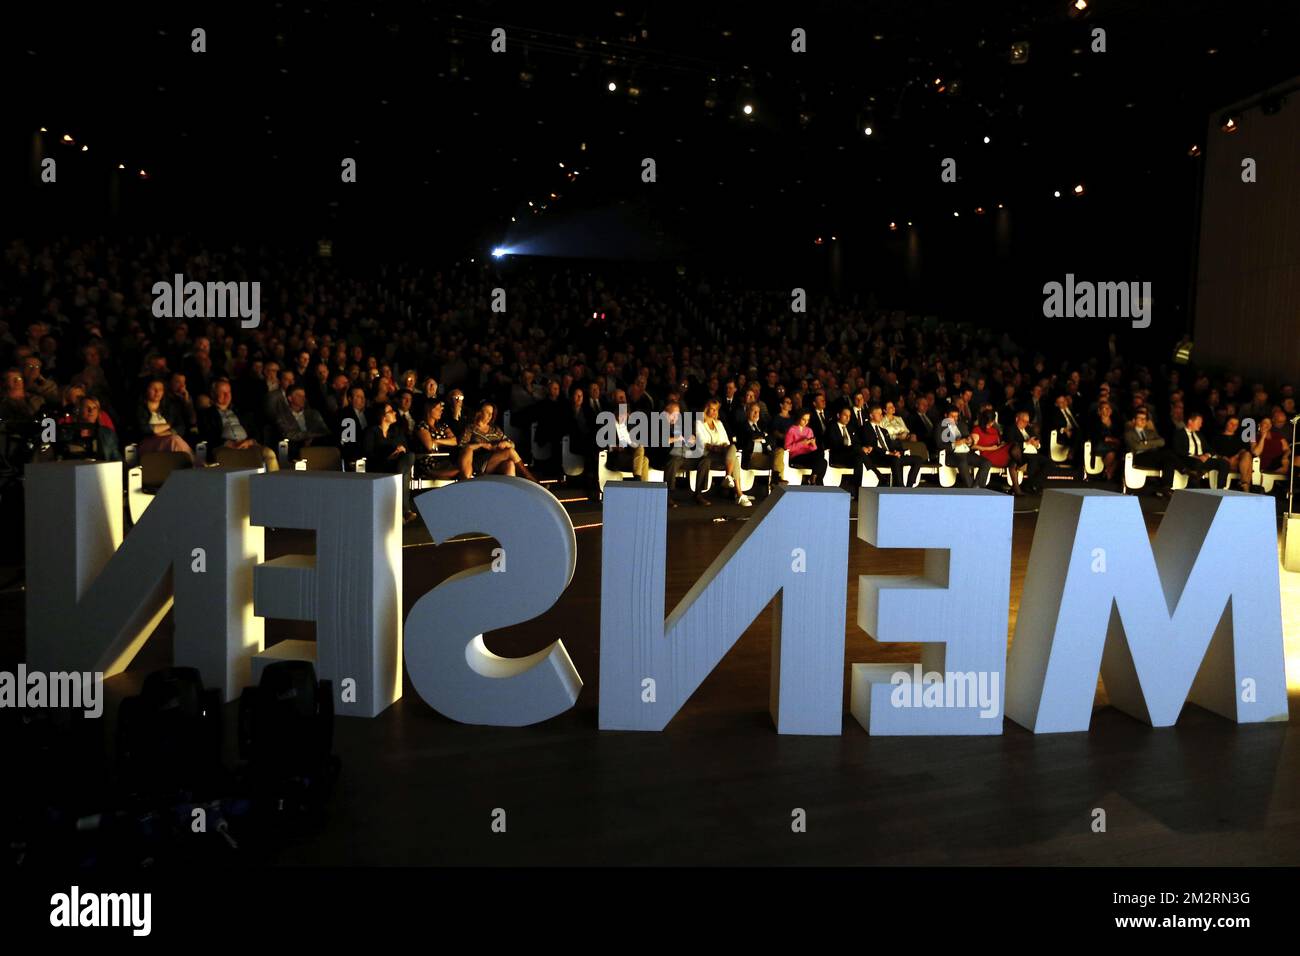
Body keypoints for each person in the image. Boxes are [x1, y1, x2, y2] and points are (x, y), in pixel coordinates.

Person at [199, 378, 279, 470]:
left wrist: (250, 441)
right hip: (224, 447)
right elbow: (208, 435)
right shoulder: (207, 414)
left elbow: (255, 431)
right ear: (213, 394)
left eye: (229, 392)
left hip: (247, 444)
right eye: (223, 392)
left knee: (269, 453)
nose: (227, 395)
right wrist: (227, 443)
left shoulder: (241, 411)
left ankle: (274, 479)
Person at [361, 401, 417, 521]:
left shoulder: (396, 431)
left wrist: (401, 450)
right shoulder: (371, 431)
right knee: (404, 475)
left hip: (396, 465)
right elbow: (368, 453)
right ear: (383, 416)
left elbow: (406, 449)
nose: (394, 413)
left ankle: (401, 510)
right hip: (379, 465)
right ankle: (405, 510)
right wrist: (387, 457)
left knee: (410, 457)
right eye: (391, 411)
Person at [692, 399, 752, 506]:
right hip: (707, 455)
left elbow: (726, 441)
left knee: (732, 448)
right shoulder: (699, 423)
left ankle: (729, 478)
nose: (714, 412)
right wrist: (719, 448)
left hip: (721, 455)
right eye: (712, 409)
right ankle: (739, 493)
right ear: (706, 409)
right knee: (733, 457)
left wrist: (722, 447)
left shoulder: (719, 423)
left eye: (716, 409)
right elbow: (703, 443)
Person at [1124, 408, 1176, 497]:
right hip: (1139, 457)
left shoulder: (1151, 432)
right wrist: (1152, 444)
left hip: (1153, 457)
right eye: (1140, 418)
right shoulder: (1129, 433)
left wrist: (1145, 443)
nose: (1143, 420)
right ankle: (1184, 469)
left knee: (1169, 461)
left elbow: (1162, 442)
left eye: (1144, 419)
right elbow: (1136, 447)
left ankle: (1166, 488)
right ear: (1134, 420)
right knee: (1168, 454)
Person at [135, 378, 194, 458]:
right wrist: (169, 425)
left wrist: (162, 432)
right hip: (146, 444)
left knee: (174, 440)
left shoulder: (170, 406)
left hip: (167, 440)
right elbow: (143, 429)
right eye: (153, 389)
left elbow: (181, 427)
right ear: (146, 390)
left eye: (160, 389)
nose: (157, 392)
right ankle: (195, 463)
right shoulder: (139, 408)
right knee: (174, 441)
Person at [934, 405, 989, 488]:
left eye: (956, 416)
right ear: (946, 415)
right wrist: (955, 444)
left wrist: (970, 441)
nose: (954, 419)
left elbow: (968, 439)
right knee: (962, 462)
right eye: (952, 416)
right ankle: (972, 489)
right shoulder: (940, 427)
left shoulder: (962, 425)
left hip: (966, 453)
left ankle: (977, 486)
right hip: (951, 454)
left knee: (986, 463)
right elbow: (939, 444)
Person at [1172, 413, 1230, 489]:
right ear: (1190, 421)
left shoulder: (1199, 435)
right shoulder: (1179, 433)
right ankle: (1194, 487)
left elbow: (1210, 449)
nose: (1201, 425)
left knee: (1224, 463)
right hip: (1189, 460)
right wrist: (1197, 457)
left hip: (1202, 460)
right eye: (1199, 422)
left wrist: (1207, 455)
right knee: (1198, 463)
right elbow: (1178, 450)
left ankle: (1220, 489)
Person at [971, 409, 1022, 494]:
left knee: (1013, 457)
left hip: (998, 451)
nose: (991, 423)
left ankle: (1016, 488)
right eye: (990, 421)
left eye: (992, 421)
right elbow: (973, 446)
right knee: (1014, 450)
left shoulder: (994, 430)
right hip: (988, 454)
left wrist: (1001, 444)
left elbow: (998, 443)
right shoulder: (977, 430)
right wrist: (990, 448)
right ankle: (1021, 464)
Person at [412, 398, 462, 482]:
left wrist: (437, 441)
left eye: (441, 409)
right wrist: (445, 441)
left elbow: (454, 441)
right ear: (429, 410)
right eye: (438, 408)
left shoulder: (442, 426)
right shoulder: (422, 426)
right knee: (458, 471)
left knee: (461, 468)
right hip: (429, 461)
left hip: (445, 459)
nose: (441, 411)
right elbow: (429, 445)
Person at [1211, 416, 1261, 493]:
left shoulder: (1240, 438)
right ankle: (1245, 487)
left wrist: (1235, 456)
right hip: (1223, 463)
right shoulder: (1217, 437)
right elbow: (1212, 451)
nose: (1233, 426)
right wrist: (1222, 457)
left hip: (1238, 463)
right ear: (1226, 423)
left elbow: (1244, 449)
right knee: (1248, 466)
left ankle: (1244, 484)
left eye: (1236, 424)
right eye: (1231, 423)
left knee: (1247, 455)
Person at [1008, 410, 1049, 492]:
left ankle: (1032, 484)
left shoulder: (1029, 429)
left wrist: (1037, 444)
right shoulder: (1011, 429)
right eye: (1024, 421)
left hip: (1033, 453)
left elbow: (1037, 441)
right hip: (1022, 454)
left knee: (1050, 464)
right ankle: (1032, 486)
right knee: (1033, 461)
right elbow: (1010, 443)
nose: (1026, 423)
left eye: (1027, 421)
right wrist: (1026, 443)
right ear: (1017, 419)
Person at [784, 410, 826, 484]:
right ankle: (816, 481)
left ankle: (814, 477)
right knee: (822, 461)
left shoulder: (809, 430)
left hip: (808, 456)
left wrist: (813, 444)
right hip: (796, 457)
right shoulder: (792, 430)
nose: (806, 422)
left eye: (807, 420)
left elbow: (813, 449)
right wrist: (802, 443)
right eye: (803, 419)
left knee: (823, 460)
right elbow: (787, 447)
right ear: (799, 418)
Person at [1087, 401, 1123, 482]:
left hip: (1113, 445)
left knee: (1114, 453)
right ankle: (1109, 472)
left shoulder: (1115, 422)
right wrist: (1108, 439)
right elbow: (1093, 435)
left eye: (1108, 408)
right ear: (1099, 411)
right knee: (1115, 451)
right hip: (1099, 445)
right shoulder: (1095, 422)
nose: (1107, 410)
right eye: (1104, 408)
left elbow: (1119, 435)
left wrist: (1113, 439)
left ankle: (1107, 472)